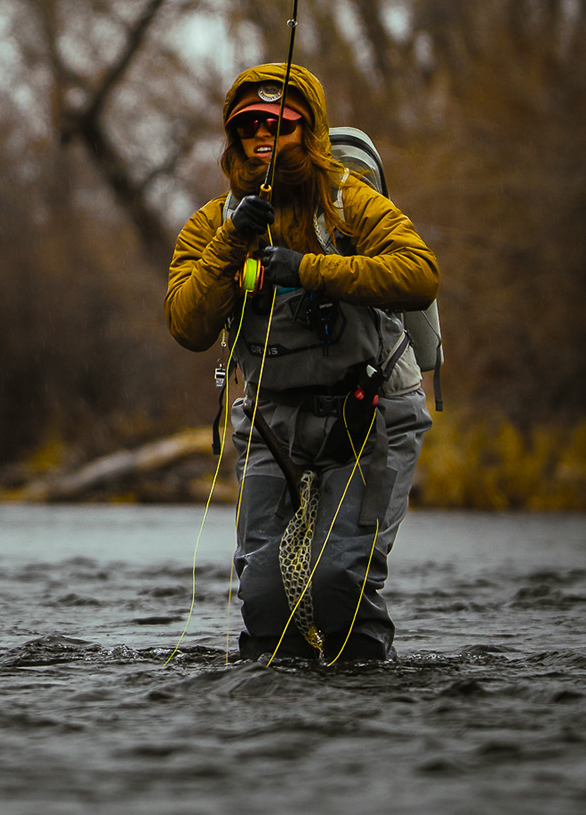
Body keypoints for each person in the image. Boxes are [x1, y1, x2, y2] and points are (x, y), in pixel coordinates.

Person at [166, 63, 437, 662]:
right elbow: (187, 325)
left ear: (308, 131)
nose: (263, 135)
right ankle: (274, 732)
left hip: (371, 416)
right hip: (271, 422)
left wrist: (306, 268)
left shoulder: (349, 202)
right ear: (233, 137)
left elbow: (421, 274)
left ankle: (359, 707)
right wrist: (233, 240)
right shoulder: (214, 224)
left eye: (281, 124)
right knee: (264, 595)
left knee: (342, 582)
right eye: (249, 125)